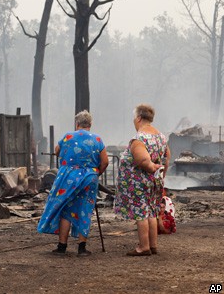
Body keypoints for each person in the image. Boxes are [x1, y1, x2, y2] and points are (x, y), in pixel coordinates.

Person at [37, 110, 109, 256]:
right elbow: (105, 162)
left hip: (68, 177)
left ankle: (62, 246)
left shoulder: (68, 137)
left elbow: (57, 151)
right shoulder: (98, 140)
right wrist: (95, 173)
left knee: (65, 210)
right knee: (85, 209)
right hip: (89, 177)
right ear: (90, 124)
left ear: (77, 124)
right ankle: (82, 248)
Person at [114, 104, 171, 256]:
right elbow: (167, 157)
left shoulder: (139, 138)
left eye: (134, 118)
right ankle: (153, 245)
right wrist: (161, 174)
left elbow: (144, 161)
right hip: (153, 182)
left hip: (139, 183)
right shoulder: (161, 136)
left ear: (138, 118)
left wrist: (152, 168)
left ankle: (143, 247)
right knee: (151, 211)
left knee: (141, 213)